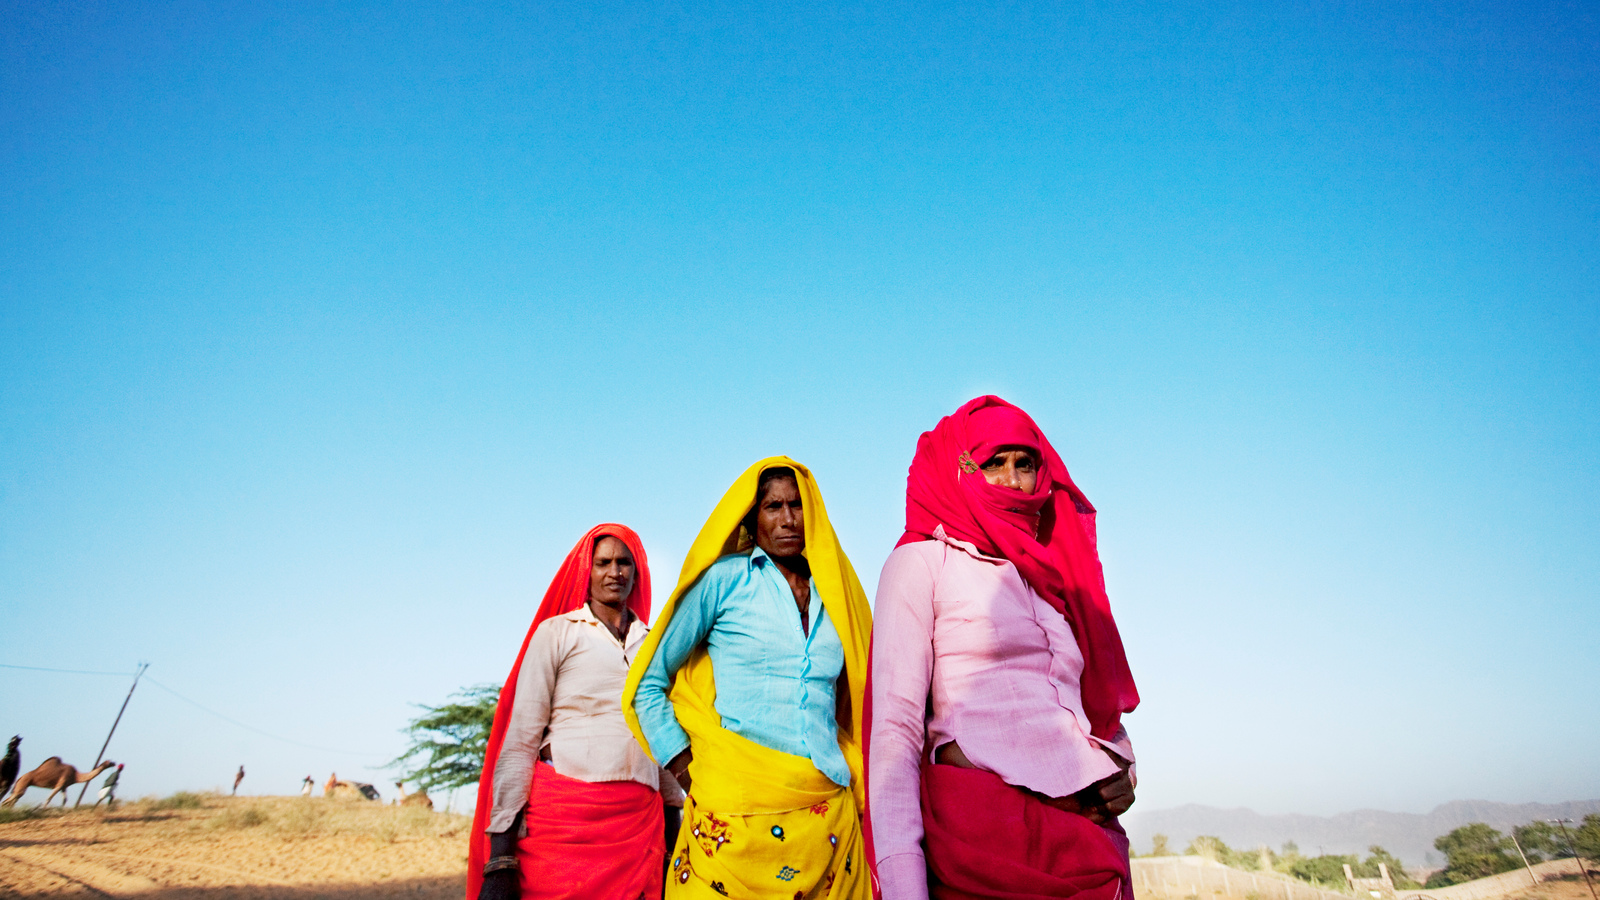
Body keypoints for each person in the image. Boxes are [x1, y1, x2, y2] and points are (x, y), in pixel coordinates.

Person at [865, 396, 1141, 900]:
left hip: (1084, 846)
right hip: (979, 844)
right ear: (961, 469)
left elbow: (1093, 711)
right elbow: (895, 730)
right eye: (994, 463)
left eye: (1025, 464)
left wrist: (1122, 767)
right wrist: (905, 887)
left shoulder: (1055, 579)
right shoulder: (923, 563)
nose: (1013, 481)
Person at [624, 457, 874, 900]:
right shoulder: (724, 581)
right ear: (752, 517)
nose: (787, 519)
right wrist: (690, 774)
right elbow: (648, 682)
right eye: (772, 507)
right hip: (733, 814)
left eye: (796, 506)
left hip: (828, 816)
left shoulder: (838, 595)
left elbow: (857, 699)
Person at [469, 524, 684, 900]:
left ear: (638, 573)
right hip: (563, 822)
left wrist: (673, 839)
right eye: (603, 563)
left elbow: (661, 738)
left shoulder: (654, 645)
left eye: (623, 563)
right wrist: (500, 860)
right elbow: (521, 740)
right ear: (588, 569)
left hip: (637, 831)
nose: (613, 572)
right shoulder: (556, 633)